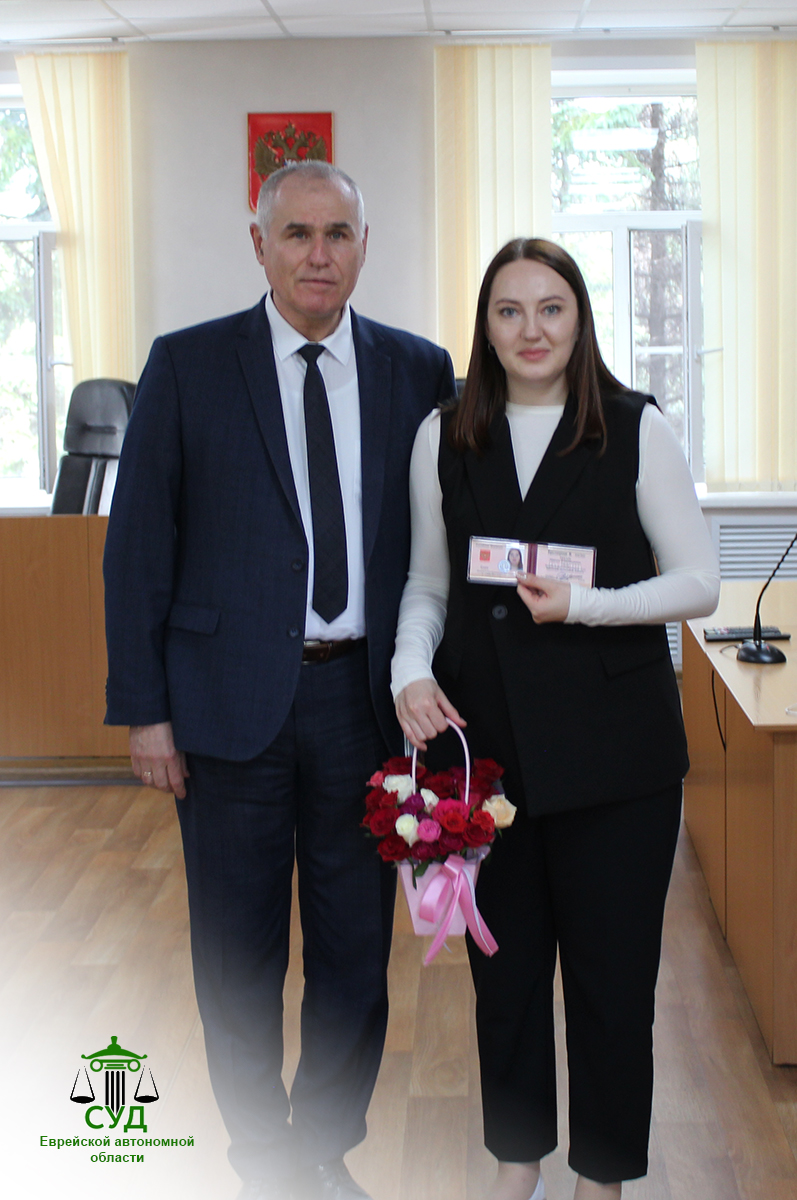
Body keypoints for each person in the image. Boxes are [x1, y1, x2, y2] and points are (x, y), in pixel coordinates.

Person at [103, 161, 455, 1200]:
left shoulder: (417, 371)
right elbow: (138, 549)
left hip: (364, 708)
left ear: (363, 246)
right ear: (257, 244)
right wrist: (145, 711)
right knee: (236, 953)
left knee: (353, 948)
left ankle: (322, 1148)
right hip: (222, 709)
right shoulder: (187, 364)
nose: (317, 253)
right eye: (296, 233)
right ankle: (260, 1157)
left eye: (337, 233)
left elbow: (442, 542)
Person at [392, 238, 719, 1200]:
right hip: (486, 760)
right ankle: (516, 1162)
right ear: (484, 328)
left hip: (618, 760)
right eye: (508, 311)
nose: (529, 330)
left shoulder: (634, 427)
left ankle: (601, 1178)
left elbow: (698, 583)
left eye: (550, 308)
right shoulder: (443, 436)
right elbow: (426, 583)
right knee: (504, 979)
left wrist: (587, 606)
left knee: (613, 986)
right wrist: (409, 667)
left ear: (579, 320)